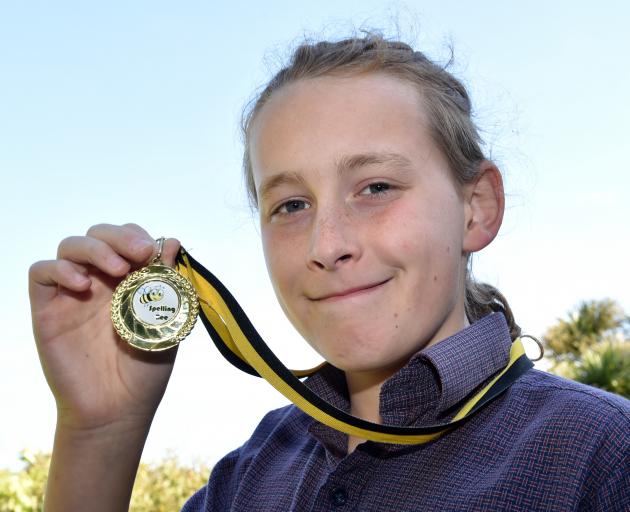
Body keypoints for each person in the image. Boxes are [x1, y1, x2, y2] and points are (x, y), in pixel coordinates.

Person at [29, 34, 629, 511]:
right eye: (290, 205)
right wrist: (99, 431)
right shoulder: (255, 468)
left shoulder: (601, 454)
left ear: (476, 209)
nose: (327, 244)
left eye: (375, 187)